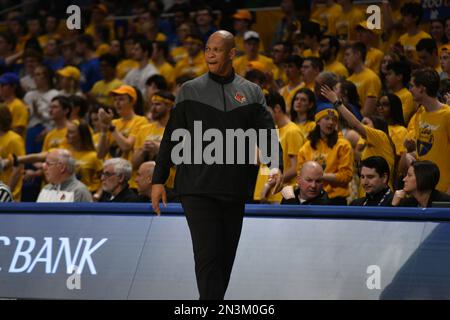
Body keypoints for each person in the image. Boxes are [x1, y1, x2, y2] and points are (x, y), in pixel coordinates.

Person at [151, 30, 283, 300]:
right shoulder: (189, 90)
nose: (210, 54)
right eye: (207, 49)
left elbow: (266, 132)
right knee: (208, 254)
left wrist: (276, 165)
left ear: (232, 54)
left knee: (225, 258)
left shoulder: (252, 91)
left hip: (235, 188)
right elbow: (170, 138)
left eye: (217, 49)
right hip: (197, 188)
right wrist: (158, 179)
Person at [296, 103, 354, 205]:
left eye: (334, 119)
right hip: (311, 199)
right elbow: (300, 175)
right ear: (318, 121)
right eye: (327, 118)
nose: (331, 123)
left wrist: (319, 177)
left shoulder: (343, 145)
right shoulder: (306, 147)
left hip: (336, 200)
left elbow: (347, 176)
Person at [404, 69, 450, 193]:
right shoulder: (419, 113)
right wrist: (411, 152)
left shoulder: (447, 115)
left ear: (422, 89)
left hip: (443, 191)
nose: (409, 90)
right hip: (422, 190)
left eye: (412, 86)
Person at [254, 91, 305, 203]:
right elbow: (257, 161)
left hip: (280, 194)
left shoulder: (292, 131)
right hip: (262, 194)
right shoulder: (270, 131)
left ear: (277, 108)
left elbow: (295, 167)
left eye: (265, 111)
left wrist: (269, 184)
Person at [344, 42, 382, 116]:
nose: (345, 58)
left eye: (348, 54)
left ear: (357, 55)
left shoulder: (371, 78)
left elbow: (368, 112)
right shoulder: (348, 79)